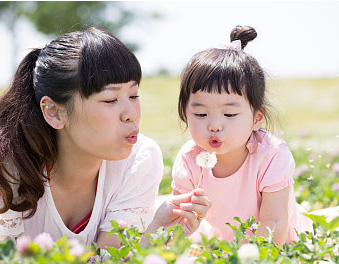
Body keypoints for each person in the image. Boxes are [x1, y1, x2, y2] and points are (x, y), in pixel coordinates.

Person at [0, 27, 210, 248]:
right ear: (53, 111)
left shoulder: (139, 160)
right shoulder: (8, 169)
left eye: (133, 95)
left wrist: (156, 231)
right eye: (110, 100)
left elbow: (109, 258)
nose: (130, 113)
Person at [171, 25, 312, 245]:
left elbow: (274, 223)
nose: (215, 125)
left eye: (229, 114)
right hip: (226, 245)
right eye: (200, 113)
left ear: (257, 118)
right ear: (184, 113)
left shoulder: (271, 155)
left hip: (284, 244)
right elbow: (178, 221)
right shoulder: (188, 159)